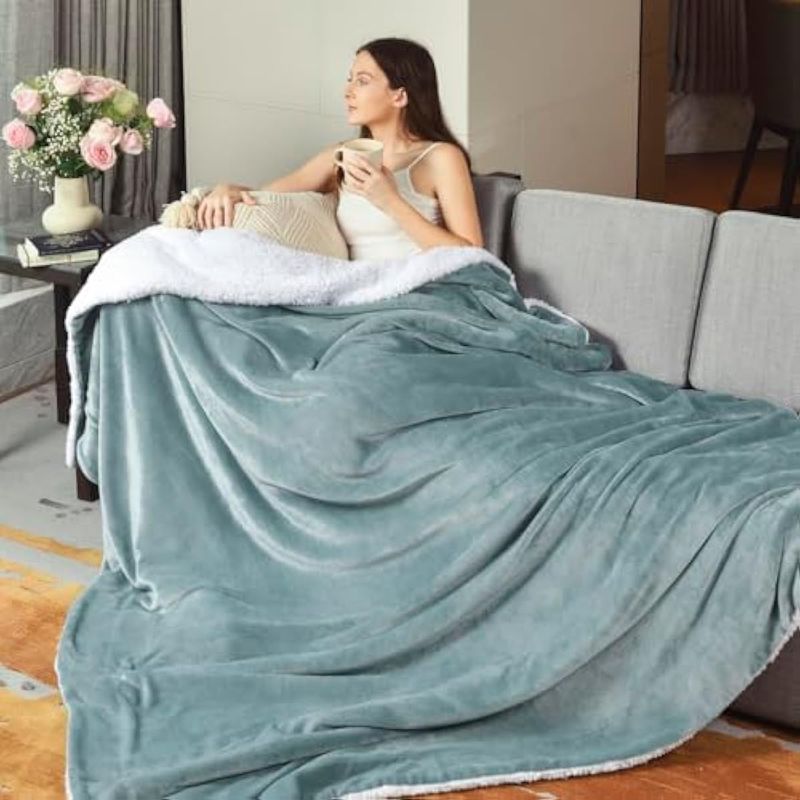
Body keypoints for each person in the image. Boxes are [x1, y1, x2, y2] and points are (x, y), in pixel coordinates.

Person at [197, 37, 484, 259]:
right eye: (350, 80)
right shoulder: (340, 157)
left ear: (399, 96)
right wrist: (227, 190)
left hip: (423, 294)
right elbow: (265, 197)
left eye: (363, 81)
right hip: (356, 296)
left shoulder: (440, 158)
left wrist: (389, 200)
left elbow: (472, 256)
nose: (348, 92)